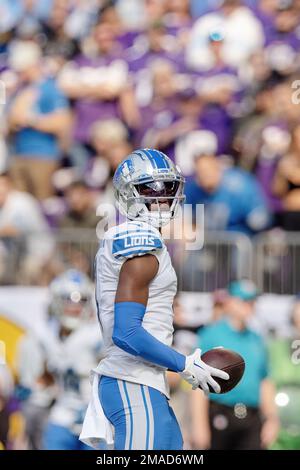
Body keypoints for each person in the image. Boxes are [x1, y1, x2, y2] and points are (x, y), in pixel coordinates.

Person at [80, 148, 230, 450]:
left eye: (168, 188)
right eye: (149, 189)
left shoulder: (138, 239)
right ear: (127, 193)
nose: (161, 198)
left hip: (144, 382)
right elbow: (127, 332)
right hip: (133, 381)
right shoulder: (141, 244)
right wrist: (185, 364)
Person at [17, 269, 102, 450]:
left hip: (96, 417)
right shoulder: (44, 333)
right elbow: (37, 379)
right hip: (62, 413)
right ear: (56, 300)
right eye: (68, 299)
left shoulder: (96, 335)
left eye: (81, 300)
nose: (74, 306)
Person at [190, 280, 280, 450]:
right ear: (230, 302)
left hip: (252, 418)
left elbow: (265, 380)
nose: (249, 306)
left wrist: (272, 418)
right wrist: (199, 425)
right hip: (220, 414)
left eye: (252, 301)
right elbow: (197, 382)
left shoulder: (257, 339)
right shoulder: (211, 335)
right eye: (244, 300)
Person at [7, 40, 71, 200]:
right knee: (20, 208)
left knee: (42, 206)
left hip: (43, 157)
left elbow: (62, 122)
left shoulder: (50, 88)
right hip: (18, 155)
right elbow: (11, 122)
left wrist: (30, 120)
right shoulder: (19, 90)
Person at [185, 152, 271, 235]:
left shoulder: (238, 186)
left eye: (207, 170)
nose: (204, 175)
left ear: (216, 168)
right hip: (208, 245)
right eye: (200, 172)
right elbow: (184, 220)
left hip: (239, 243)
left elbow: (260, 220)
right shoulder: (193, 190)